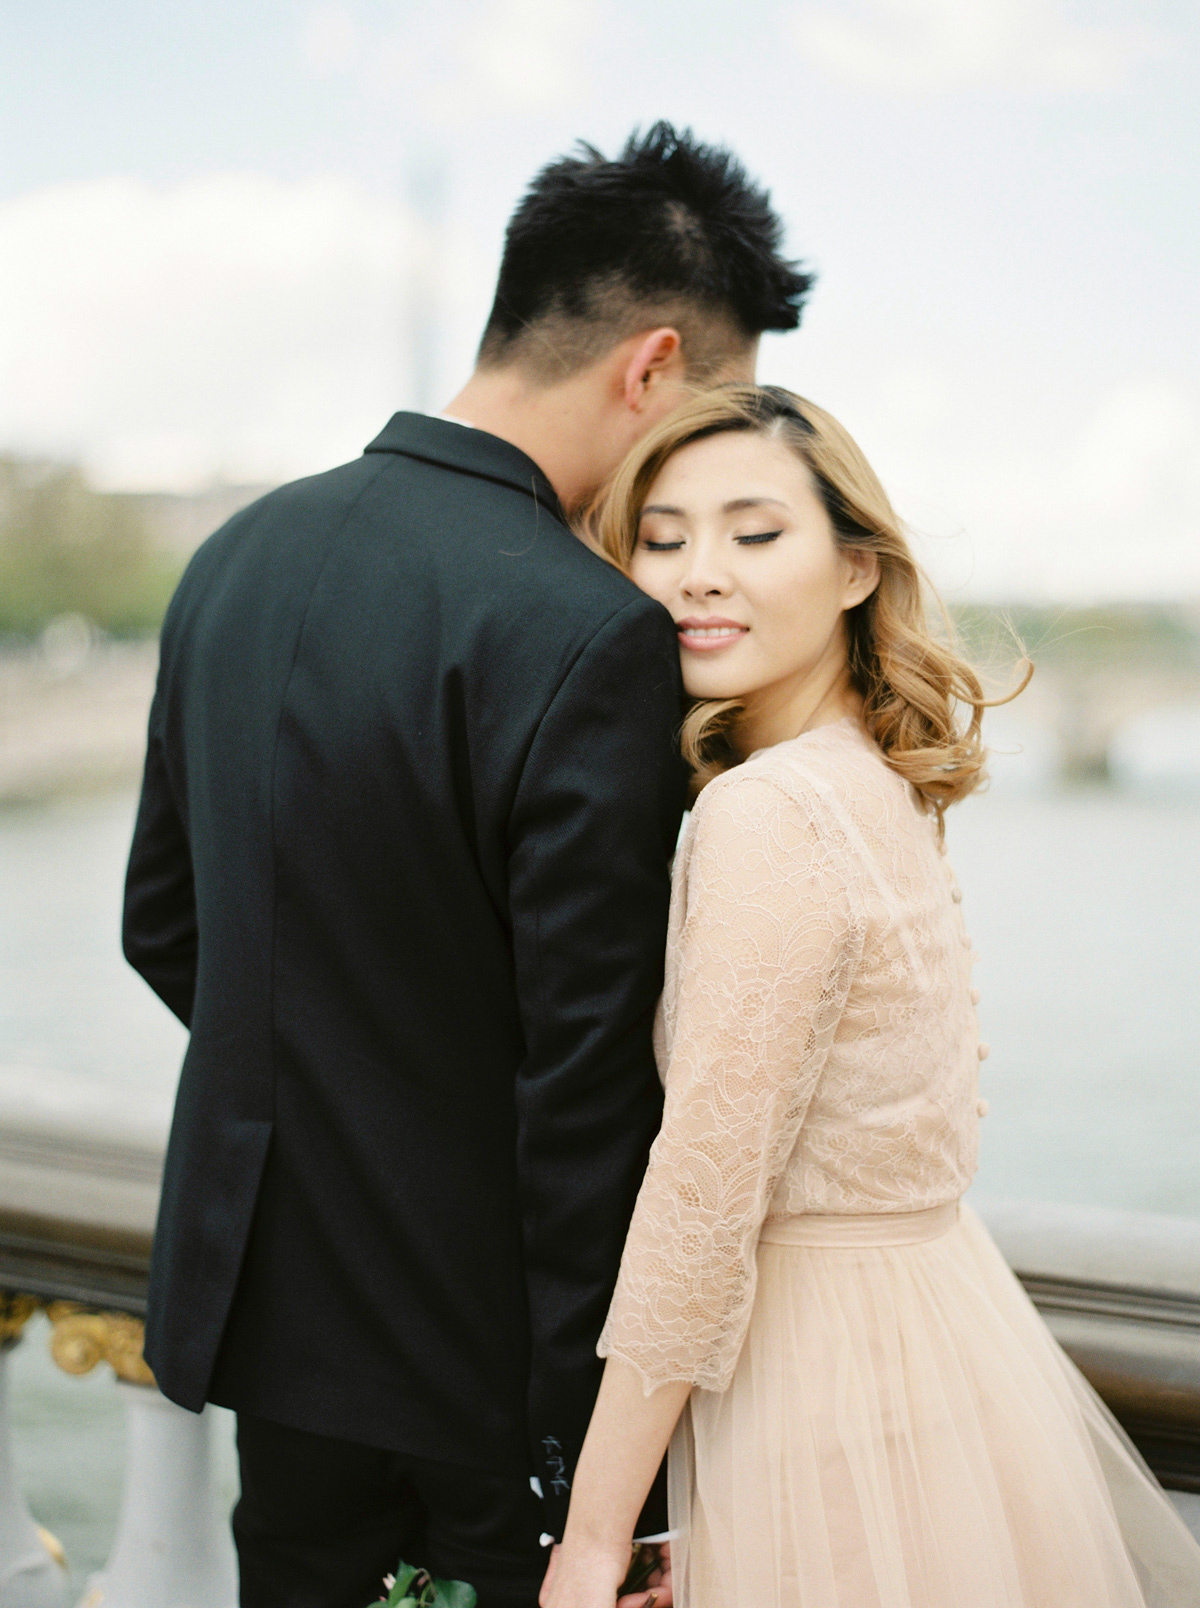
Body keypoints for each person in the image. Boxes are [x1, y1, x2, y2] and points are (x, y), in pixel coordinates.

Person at [121, 128, 811, 1608]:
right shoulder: (587, 631)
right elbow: (585, 1090)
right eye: (707, 418)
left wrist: (356, 1110)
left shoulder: (235, 556)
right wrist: (595, 1478)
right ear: (652, 365)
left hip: (270, 1332)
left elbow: (163, 927)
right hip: (484, 1377)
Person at [543, 385, 1200, 1608]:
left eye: (753, 533)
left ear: (855, 568)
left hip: (817, 1385)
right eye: (663, 537)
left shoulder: (765, 812)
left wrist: (593, 1535)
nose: (698, 575)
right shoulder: (878, 781)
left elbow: (704, 1191)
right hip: (936, 1345)